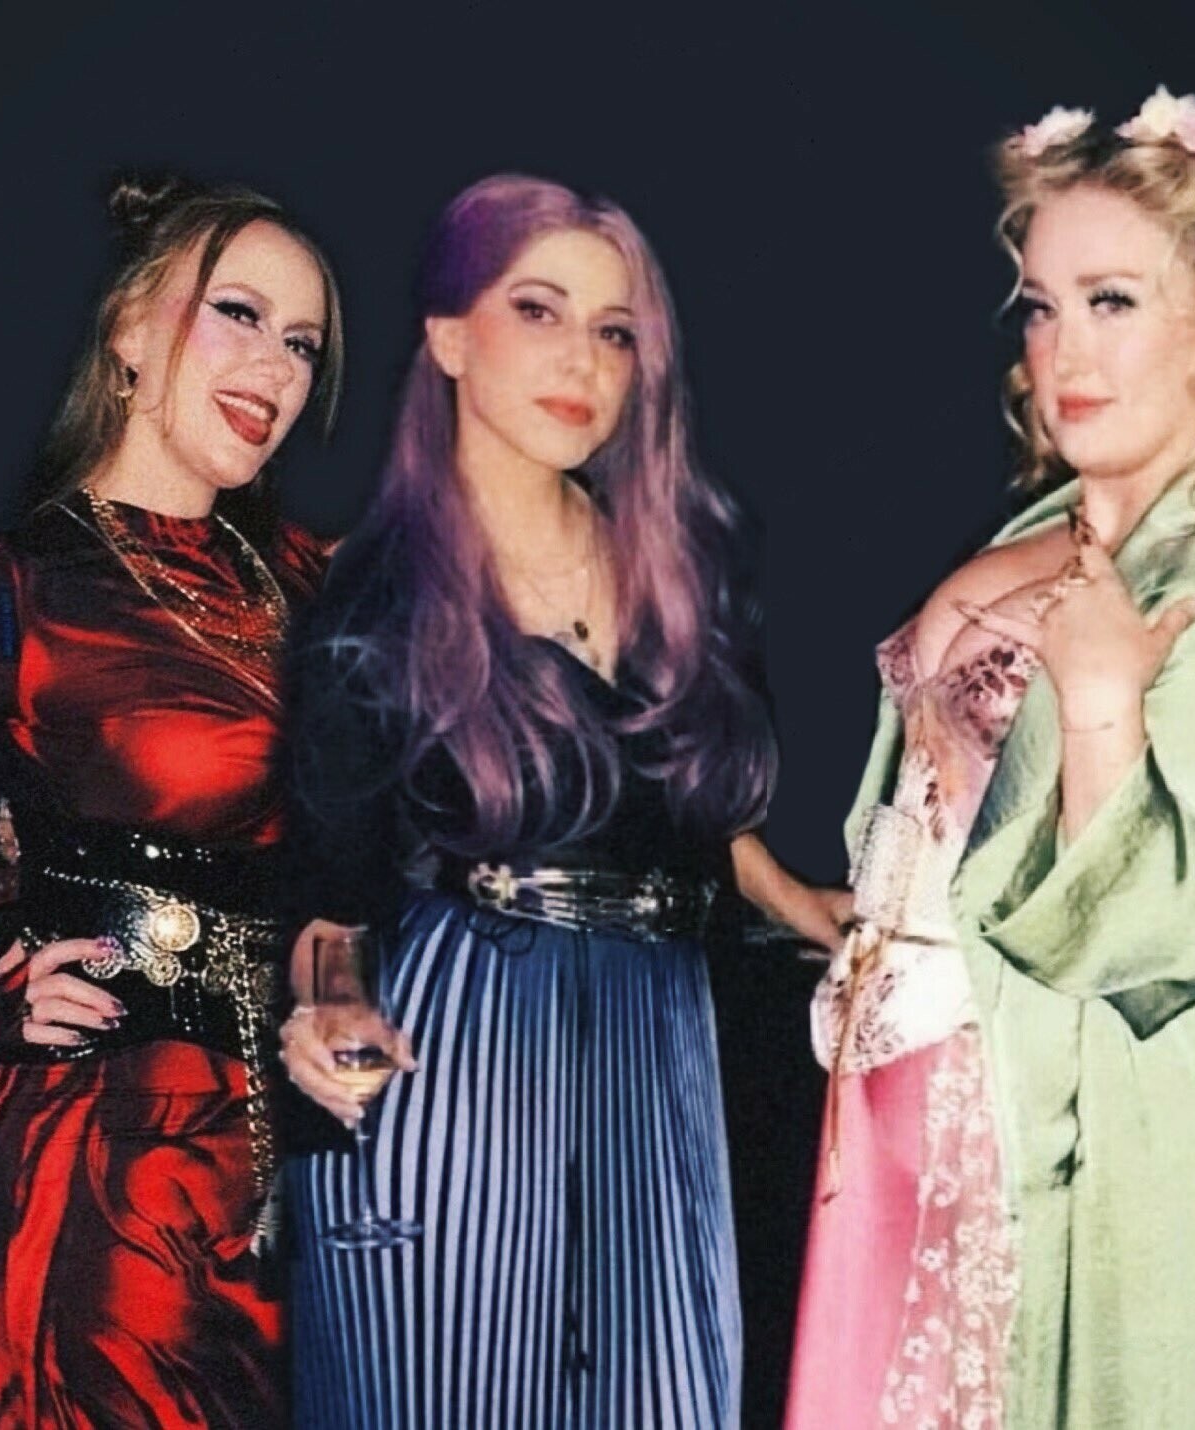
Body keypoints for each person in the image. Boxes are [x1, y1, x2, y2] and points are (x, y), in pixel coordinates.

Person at [277, 173, 838, 1429]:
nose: (582, 358)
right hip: (464, 1036)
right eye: (536, 309)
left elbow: (684, 803)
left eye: (614, 329)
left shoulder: (680, 564)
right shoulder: (374, 594)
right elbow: (329, 890)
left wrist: (792, 897)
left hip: (659, 1028)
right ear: (446, 335)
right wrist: (332, 1001)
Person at [784, 90, 1195, 1429]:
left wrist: (1101, 705)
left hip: (1065, 1125)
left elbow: (1176, 936)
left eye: (1110, 300)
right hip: (890, 1100)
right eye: (1038, 303)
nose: (1061, 346)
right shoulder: (1040, 529)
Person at [0, 175, 342, 1427]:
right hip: (88, 1187)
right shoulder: (21, 587)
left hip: (288, 1183)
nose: (277, 366)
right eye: (238, 312)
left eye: (303, 343)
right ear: (131, 329)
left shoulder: (315, 582)